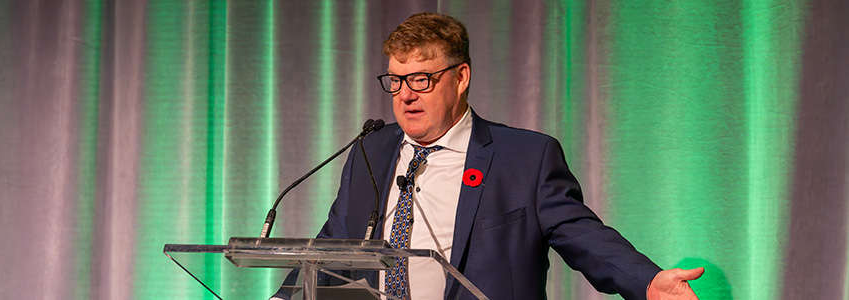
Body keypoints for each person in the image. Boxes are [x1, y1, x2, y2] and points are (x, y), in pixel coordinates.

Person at [274, 12, 703, 300]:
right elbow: (334, 244)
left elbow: (581, 235)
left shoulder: (525, 158)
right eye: (396, 80)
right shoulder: (371, 149)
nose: (404, 96)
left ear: (460, 78)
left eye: (421, 79)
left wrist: (646, 282)